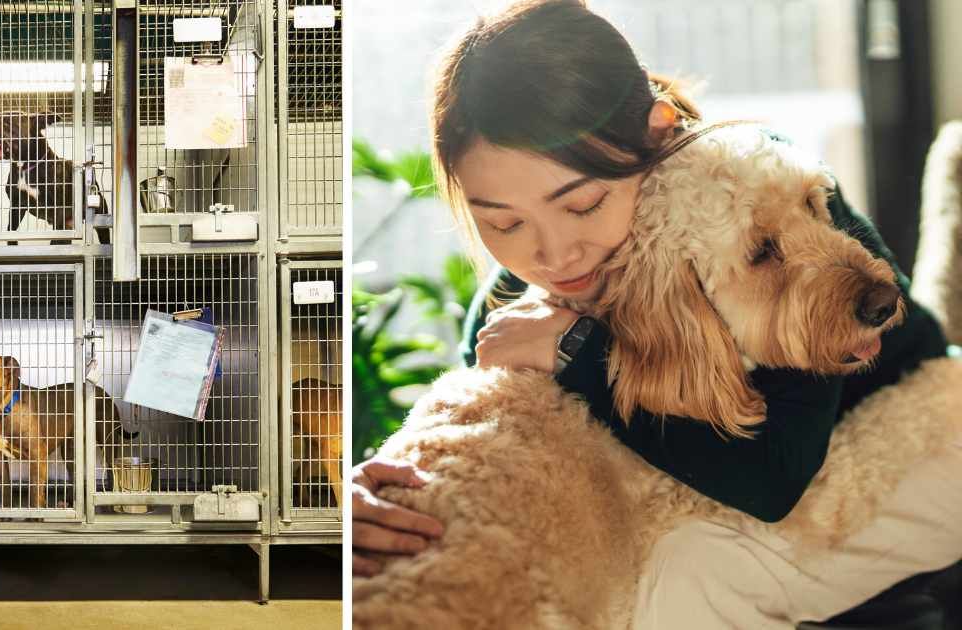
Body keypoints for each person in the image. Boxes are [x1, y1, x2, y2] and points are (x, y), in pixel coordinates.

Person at [351, 0, 962, 627]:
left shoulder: (771, 192)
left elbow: (773, 480)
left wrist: (575, 351)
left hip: (917, 422)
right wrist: (394, 482)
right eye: (502, 222)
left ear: (657, 132)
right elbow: (494, 412)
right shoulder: (518, 292)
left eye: (584, 204)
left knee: (677, 580)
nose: (553, 255)